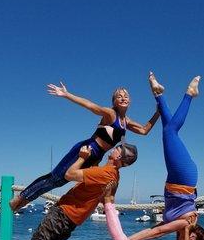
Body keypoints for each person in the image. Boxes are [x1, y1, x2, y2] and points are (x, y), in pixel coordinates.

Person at [122, 72, 204, 240]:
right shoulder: (186, 222)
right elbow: (158, 231)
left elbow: (157, 232)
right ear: (194, 236)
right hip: (184, 177)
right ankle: (189, 94)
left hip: (177, 177)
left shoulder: (178, 226)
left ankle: (159, 95)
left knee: (167, 128)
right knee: (170, 131)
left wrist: (134, 239)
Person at [9, 82, 159, 212]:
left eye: (126, 96)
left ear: (130, 101)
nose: (123, 98)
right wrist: (66, 94)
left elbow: (144, 130)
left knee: (62, 181)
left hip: (97, 156)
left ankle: (24, 200)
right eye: (119, 96)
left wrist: (159, 112)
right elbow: (90, 106)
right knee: (55, 177)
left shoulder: (126, 121)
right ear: (114, 101)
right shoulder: (110, 114)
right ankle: (22, 198)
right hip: (88, 149)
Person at [29, 142, 138, 240]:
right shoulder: (115, 176)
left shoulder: (105, 173)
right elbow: (106, 197)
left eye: (117, 148)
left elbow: (69, 174)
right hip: (75, 218)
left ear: (119, 156)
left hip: (65, 212)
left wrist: (81, 158)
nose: (114, 149)